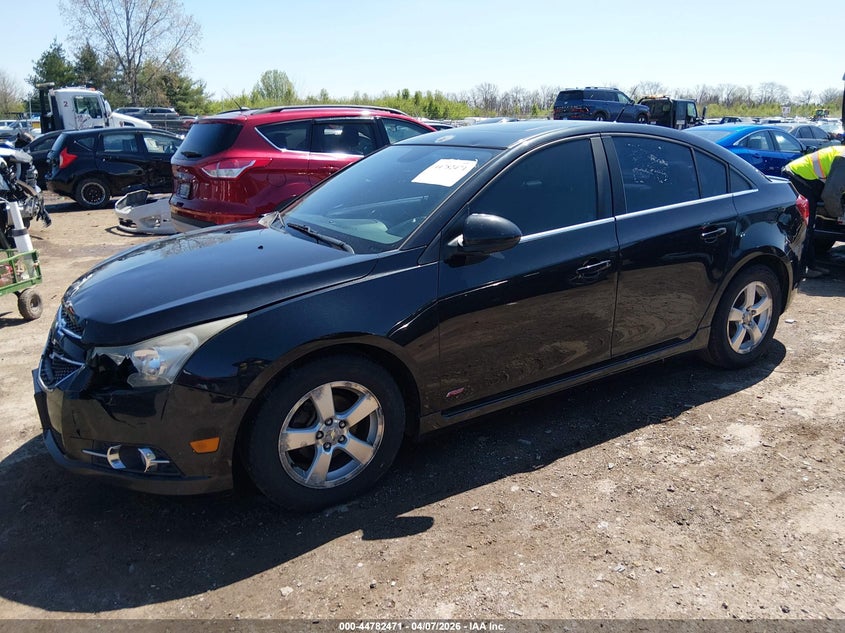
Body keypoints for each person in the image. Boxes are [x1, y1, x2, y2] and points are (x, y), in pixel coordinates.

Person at [782, 144, 845, 278]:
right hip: (798, 178)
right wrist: (838, 215)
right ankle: (803, 268)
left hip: (805, 180)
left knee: (808, 226)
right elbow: (830, 195)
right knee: (805, 226)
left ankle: (809, 266)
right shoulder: (843, 159)